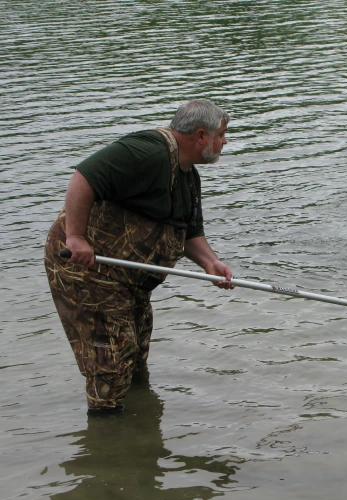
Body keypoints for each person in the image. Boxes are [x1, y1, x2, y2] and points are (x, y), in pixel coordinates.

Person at [45, 99, 234, 414]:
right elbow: (85, 177)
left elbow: (188, 233)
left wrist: (210, 263)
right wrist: (76, 237)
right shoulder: (148, 151)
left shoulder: (188, 176)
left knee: (135, 353)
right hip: (88, 270)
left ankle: (139, 434)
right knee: (111, 361)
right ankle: (107, 438)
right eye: (222, 134)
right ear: (202, 136)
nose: (225, 141)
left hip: (130, 282)